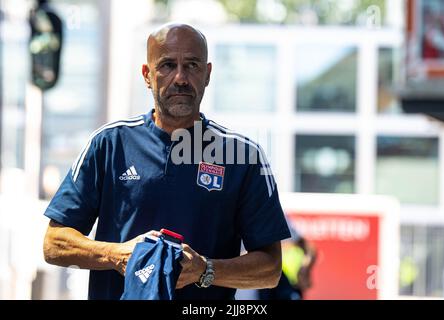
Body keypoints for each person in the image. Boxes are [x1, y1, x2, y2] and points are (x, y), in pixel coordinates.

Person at [42, 22, 291, 300]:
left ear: (207, 74)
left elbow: (270, 270)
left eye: (192, 65)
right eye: (168, 65)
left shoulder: (244, 156)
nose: (181, 78)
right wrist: (117, 254)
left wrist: (205, 270)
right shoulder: (110, 143)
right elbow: (54, 243)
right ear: (147, 75)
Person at [258, 219, 316, 300]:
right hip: (264, 280)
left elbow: (308, 248)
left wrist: (305, 270)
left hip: (289, 283)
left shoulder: (278, 216)